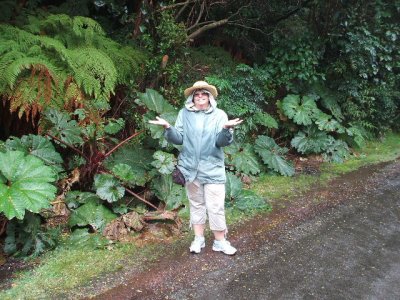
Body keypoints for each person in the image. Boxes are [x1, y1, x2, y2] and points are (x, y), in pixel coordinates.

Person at [149, 81, 243, 255]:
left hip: (213, 167)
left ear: (210, 97)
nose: (200, 97)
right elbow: (179, 139)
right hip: (190, 168)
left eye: (204, 94)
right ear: (193, 97)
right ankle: (198, 239)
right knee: (197, 205)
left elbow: (220, 142)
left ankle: (220, 241)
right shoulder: (184, 114)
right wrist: (168, 128)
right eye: (197, 94)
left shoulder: (219, 115)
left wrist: (226, 130)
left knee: (215, 206)